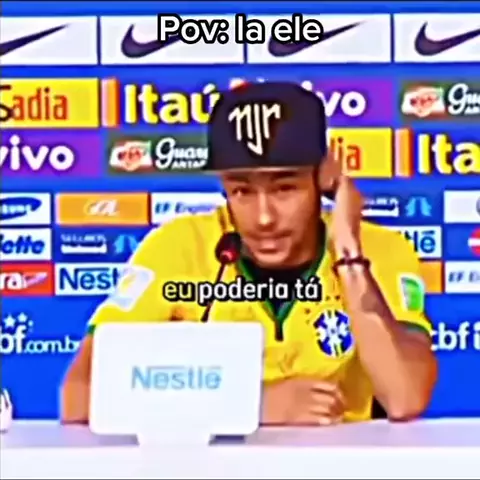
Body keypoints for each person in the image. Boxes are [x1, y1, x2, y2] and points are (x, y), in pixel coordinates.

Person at [61, 82, 437, 426]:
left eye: (285, 188)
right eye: (241, 191)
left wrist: (349, 252)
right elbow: (78, 396)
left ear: (324, 176)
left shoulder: (381, 249)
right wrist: (249, 406)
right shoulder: (177, 246)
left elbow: (406, 397)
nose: (264, 218)